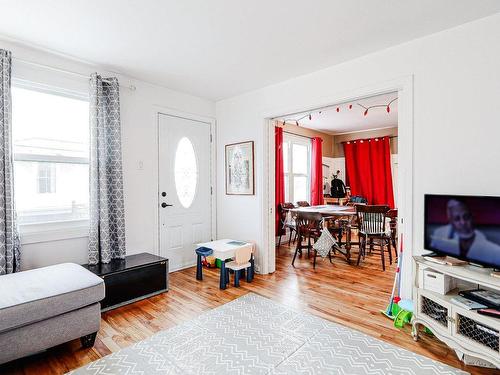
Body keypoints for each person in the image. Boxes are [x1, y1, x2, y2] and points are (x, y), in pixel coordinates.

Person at [430, 199, 500, 265]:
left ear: (472, 216)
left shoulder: (495, 251)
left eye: (466, 216)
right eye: (457, 219)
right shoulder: (439, 234)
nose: (463, 222)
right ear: (451, 222)